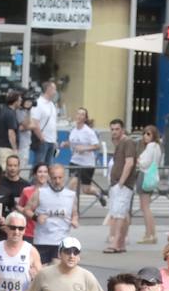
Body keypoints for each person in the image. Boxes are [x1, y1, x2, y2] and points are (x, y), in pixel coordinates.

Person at [25, 163, 78, 265]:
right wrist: (36, 217)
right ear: (49, 177)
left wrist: (75, 220)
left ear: (64, 177)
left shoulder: (71, 195)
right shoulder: (40, 193)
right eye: (54, 178)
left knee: (56, 270)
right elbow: (27, 210)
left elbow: (74, 213)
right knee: (42, 271)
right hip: (42, 240)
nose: (57, 181)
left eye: (60, 178)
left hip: (61, 240)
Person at [104, 119, 138, 253]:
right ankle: (121, 243)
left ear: (122, 130)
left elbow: (129, 163)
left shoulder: (127, 142)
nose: (114, 132)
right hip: (117, 183)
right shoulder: (120, 144)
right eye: (112, 129)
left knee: (118, 214)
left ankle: (115, 243)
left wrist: (121, 182)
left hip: (122, 185)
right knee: (120, 213)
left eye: (117, 129)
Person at [67, 107, 106, 206]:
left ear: (85, 118)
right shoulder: (73, 130)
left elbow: (97, 146)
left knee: (86, 189)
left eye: (82, 114)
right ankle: (72, 208)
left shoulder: (89, 131)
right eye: (78, 114)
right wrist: (66, 144)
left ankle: (98, 193)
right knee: (72, 184)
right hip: (75, 161)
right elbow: (73, 143)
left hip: (87, 163)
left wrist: (84, 148)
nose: (79, 116)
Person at [136, 125, 163, 244]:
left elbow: (145, 163)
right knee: (146, 207)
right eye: (144, 133)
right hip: (152, 177)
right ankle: (152, 234)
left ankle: (149, 234)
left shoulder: (150, 146)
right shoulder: (157, 147)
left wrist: (138, 161)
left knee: (145, 207)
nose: (145, 136)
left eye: (148, 134)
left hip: (145, 175)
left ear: (153, 135)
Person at [29, 80, 60, 169]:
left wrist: (55, 139)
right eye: (54, 89)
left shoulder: (52, 104)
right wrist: (41, 138)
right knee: (39, 165)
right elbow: (35, 122)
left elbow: (53, 123)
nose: (55, 92)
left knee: (49, 166)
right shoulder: (38, 103)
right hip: (43, 140)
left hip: (51, 140)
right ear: (48, 89)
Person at [0, 89, 21, 166]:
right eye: (20, 100)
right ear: (15, 101)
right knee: (6, 168)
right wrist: (14, 149)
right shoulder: (10, 114)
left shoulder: (4, 110)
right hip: (7, 148)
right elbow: (11, 132)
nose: (21, 102)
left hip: (1, 146)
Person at [0, 153, 28, 219]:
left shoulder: (26, 185)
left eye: (15, 166)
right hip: (0, 219)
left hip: (18, 219)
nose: (12, 168)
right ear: (6, 166)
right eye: (10, 165)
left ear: (19, 167)